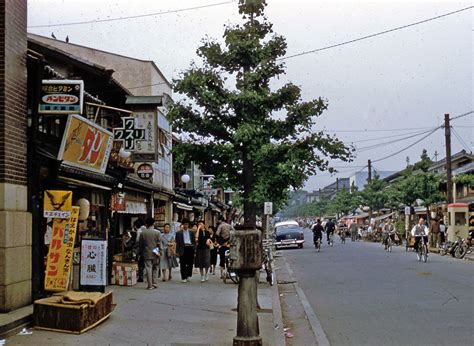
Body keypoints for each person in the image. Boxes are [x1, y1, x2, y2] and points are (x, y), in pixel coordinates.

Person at [139, 217, 161, 290]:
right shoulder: (157, 232)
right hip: (156, 252)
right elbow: (159, 243)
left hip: (146, 252)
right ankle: (155, 283)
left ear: (146, 224)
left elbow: (141, 244)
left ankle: (150, 285)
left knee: (148, 268)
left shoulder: (143, 233)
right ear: (153, 223)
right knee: (155, 267)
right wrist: (159, 252)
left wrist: (140, 252)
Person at [175, 218, 195, 283]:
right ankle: (183, 277)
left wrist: (194, 250)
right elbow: (177, 243)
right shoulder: (178, 233)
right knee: (183, 263)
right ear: (182, 225)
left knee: (190, 263)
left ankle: (188, 275)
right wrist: (177, 251)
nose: (186, 226)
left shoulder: (191, 232)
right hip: (183, 248)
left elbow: (194, 241)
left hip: (190, 247)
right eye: (185, 224)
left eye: (187, 224)